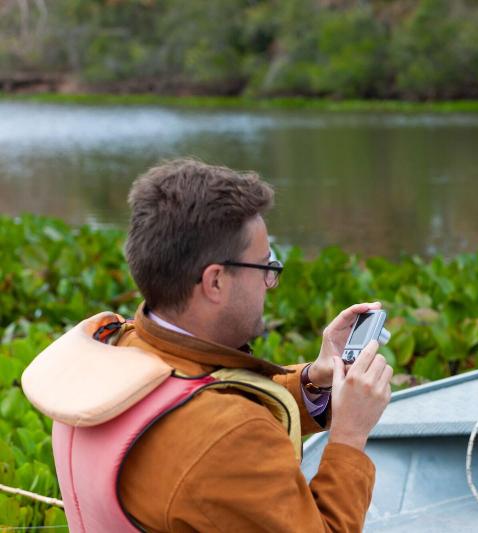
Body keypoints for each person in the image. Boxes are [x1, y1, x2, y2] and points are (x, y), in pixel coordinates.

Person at [22, 159, 393, 532]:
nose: (269, 283)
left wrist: (315, 379)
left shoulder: (115, 344)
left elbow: (193, 396)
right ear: (215, 281)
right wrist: (348, 436)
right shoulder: (230, 438)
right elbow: (219, 426)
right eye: (266, 268)